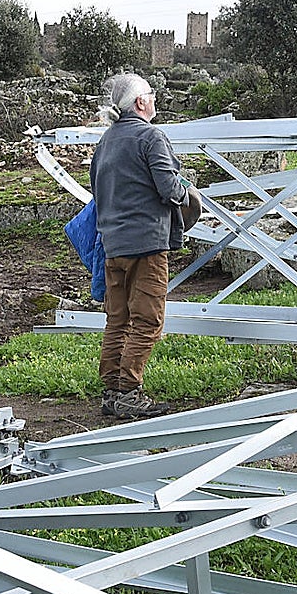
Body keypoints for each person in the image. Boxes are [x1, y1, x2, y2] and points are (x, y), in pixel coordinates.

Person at [89, 73, 196, 419]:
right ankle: (129, 392)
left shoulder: (106, 141)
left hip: (112, 245)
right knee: (147, 320)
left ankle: (111, 392)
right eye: (150, 94)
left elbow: (97, 189)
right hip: (147, 243)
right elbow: (168, 187)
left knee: (117, 319)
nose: (154, 99)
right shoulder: (151, 136)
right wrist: (189, 193)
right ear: (140, 103)